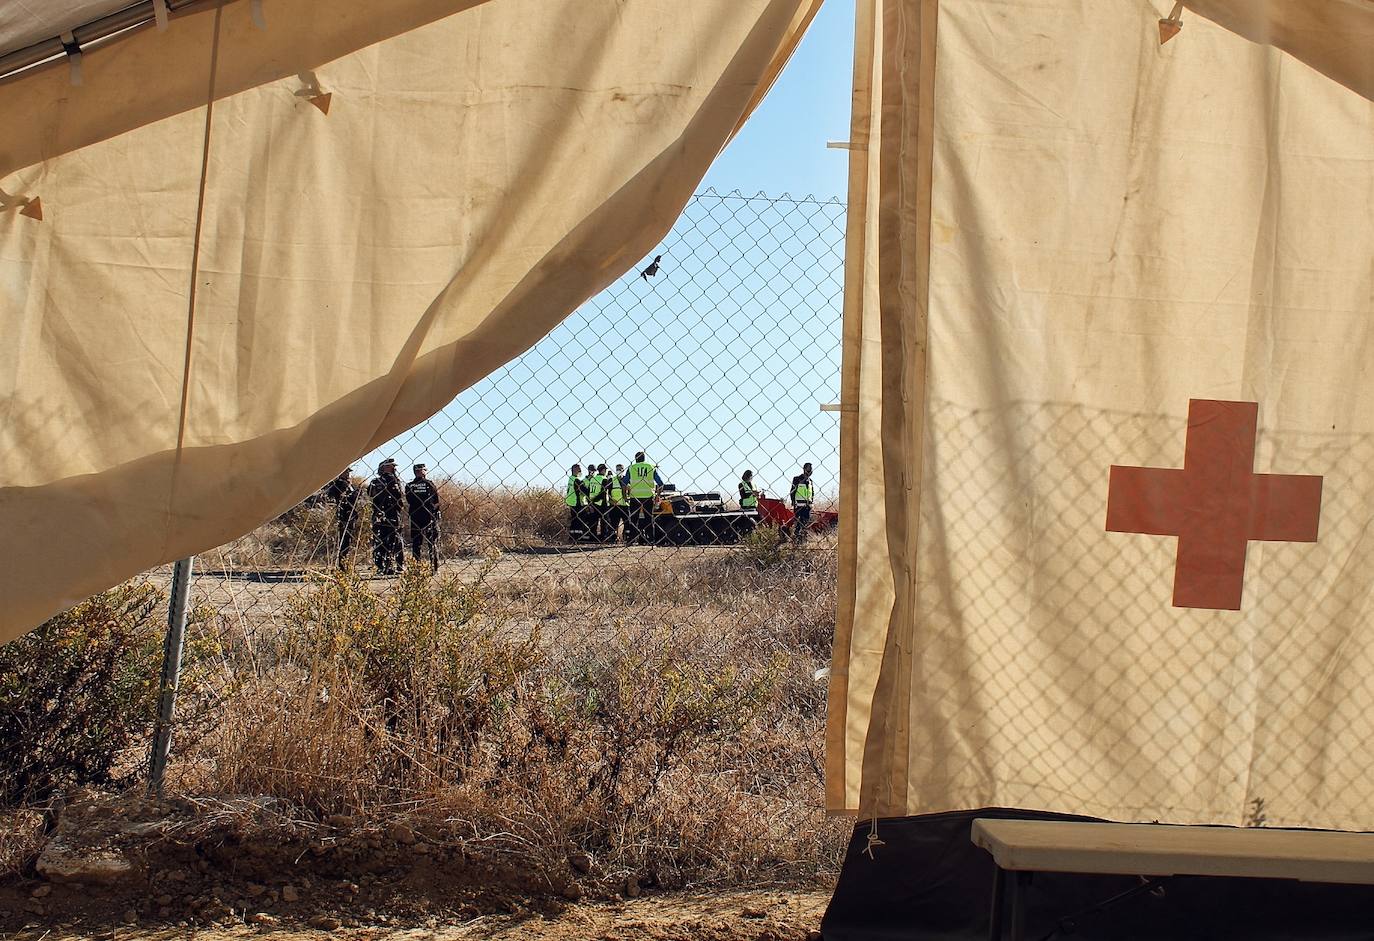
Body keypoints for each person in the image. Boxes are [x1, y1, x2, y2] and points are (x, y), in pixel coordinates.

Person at [367, 458, 406, 575]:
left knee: (391, 540)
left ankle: (393, 565)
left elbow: (399, 496)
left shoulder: (389, 481)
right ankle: (385, 566)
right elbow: (370, 494)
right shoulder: (381, 481)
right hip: (384, 514)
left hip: (388, 514)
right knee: (385, 540)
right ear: (383, 468)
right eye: (390, 466)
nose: (393, 468)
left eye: (393, 466)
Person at [405, 463, 442, 574]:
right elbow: (436, 501)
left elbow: (408, 500)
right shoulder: (429, 484)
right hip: (428, 516)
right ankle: (433, 568)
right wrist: (435, 511)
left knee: (417, 543)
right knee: (431, 543)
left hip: (416, 516)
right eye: (422, 470)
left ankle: (417, 568)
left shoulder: (409, 486)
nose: (422, 472)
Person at [325, 467, 362, 570]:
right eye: (346, 472)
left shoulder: (348, 484)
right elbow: (345, 498)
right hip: (344, 514)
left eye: (348, 472)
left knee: (347, 540)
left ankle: (344, 563)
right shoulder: (339, 484)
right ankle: (342, 564)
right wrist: (356, 493)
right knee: (344, 540)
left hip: (350, 514)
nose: (348, 474)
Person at [625, 451, 664, 545]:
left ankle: (631, 540)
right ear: (644, 458)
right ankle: (651, 540)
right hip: (648, 496)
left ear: (635, 459)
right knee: (649, 519)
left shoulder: (631, 468)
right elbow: (661, 483)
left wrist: (624, 495)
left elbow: (624, 482)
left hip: (635, 496)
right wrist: (657, 496)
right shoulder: (651, 467)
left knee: (634, 519)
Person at [790, 462, 814, 542]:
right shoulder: (797, 479)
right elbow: (792, 491)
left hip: (808, 505)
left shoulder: (810, 481)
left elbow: (812, 493)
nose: (810, 471)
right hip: (799, 505)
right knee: (799, 522)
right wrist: (793, 501)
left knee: (806, 522)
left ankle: (803, 539)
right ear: (804, 469)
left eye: (811, 469)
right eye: (808, 469)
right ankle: (796, 538)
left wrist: (811, 502)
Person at [565, 464, 589, 541]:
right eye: (579, 470)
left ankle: (572, 537)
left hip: (571, 502)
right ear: (575, 470)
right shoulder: (576, 480)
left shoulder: (571, 479)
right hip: (577, 502)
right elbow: (584, 490)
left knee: (574, 521)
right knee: (579, 521)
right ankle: (578, 537)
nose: (580, 471)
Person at [585, 464, 605, 542]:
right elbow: (603, 493)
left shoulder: (593, 479)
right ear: (603, 470)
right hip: (601, 503)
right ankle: (602, 537)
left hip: (592, 503)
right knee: (604, 521)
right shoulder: (604, 479)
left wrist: (590, 502)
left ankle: (592, 537)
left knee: (593, 521)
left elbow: (588, 491)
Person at [608, 463, 627, 543]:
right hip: (614, 506)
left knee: (628, 523)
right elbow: (607, 492)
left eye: (620, 469)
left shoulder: (627, 479)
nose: (619, 471)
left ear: (623, 470)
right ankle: (614, 538)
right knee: (614, 523)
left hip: (625, 505)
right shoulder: (612, 480)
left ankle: (626, 538)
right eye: (617, 469)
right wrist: (611, 500)